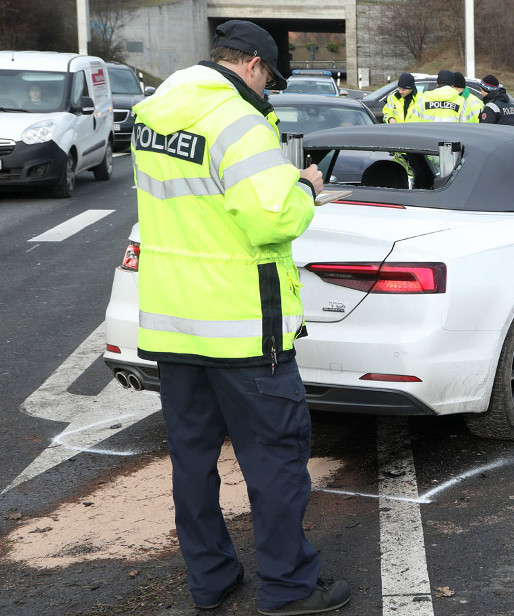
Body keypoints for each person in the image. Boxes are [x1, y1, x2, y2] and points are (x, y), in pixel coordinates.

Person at [129, 19, 351, 616]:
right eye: (268, 77)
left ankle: (211, 583)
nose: (267, 89)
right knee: (275, 461)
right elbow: (270, 219)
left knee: (193, 465)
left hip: (174, 323)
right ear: (252, 64)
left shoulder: (154, 112)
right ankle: (288, 587)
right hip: (245, 327)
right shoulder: (240, 122)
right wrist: (305, 186)